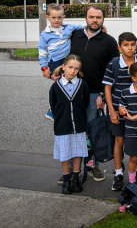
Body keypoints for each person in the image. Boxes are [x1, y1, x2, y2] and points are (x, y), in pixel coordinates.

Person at [69, 5, 119, 183]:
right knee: (72, 131)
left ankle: (92, 165)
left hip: (94, 95)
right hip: (71, 93)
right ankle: (71, 170)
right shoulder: (74, 36)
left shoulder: (109, 41)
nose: (94, 20)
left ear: (103, 19)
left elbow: (113, 71)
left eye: (98, 17)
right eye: (91, 17)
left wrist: (103, 95)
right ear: (85, 18)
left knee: (92, 132)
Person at [103, 32, 137, 191]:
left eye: (133, 45)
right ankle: (119, 173)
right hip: (118, 112)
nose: (130, 48)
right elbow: (107, 88)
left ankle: (136, 171)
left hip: (136, 112)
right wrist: (112, 111)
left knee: (135, 141)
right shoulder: (113, 63)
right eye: (126, 45)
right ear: (120, 47)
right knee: (119, 141)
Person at [49, 54, 90, 194]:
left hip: (79, 126)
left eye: (76, 69)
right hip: (62, 127)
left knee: (78, 153)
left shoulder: (83, 85)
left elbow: (85, 103)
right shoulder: (55, 87)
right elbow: (54, 106)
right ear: (64, 67)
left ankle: (76, 180)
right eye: (70, 67)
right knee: (65, 154)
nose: (72, 71)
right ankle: (66, 181)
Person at [39, 3, 83, 121]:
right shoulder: (45, 34)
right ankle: (52, 110)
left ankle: (65, 110)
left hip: (68, 62)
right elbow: (42, 52)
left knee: (70, 85)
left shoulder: (69, 27)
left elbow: (84, 27)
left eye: (59, 17)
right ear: (48, 17)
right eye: (53, 17)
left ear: (64, 17)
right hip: (55, 63)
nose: (57, 20)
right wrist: (44, 68)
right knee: (60, 85)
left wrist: (101, 28)